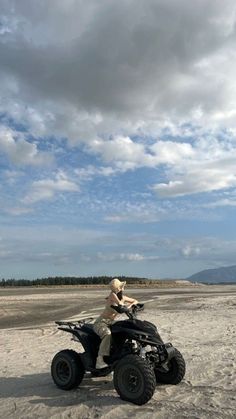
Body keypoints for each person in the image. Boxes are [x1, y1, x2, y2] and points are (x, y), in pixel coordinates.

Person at [93, 278, 138, 369]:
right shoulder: (112, 295)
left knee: (124, 330)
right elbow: (120, 305)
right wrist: (125, 307)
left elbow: (135, 301)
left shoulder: (122, 297)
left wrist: (130, 306)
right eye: (121, 287)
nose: (123, 289)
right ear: (117, 289)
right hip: (101, 322)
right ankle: (99, 360)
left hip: (111, 322)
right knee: (107, 334)